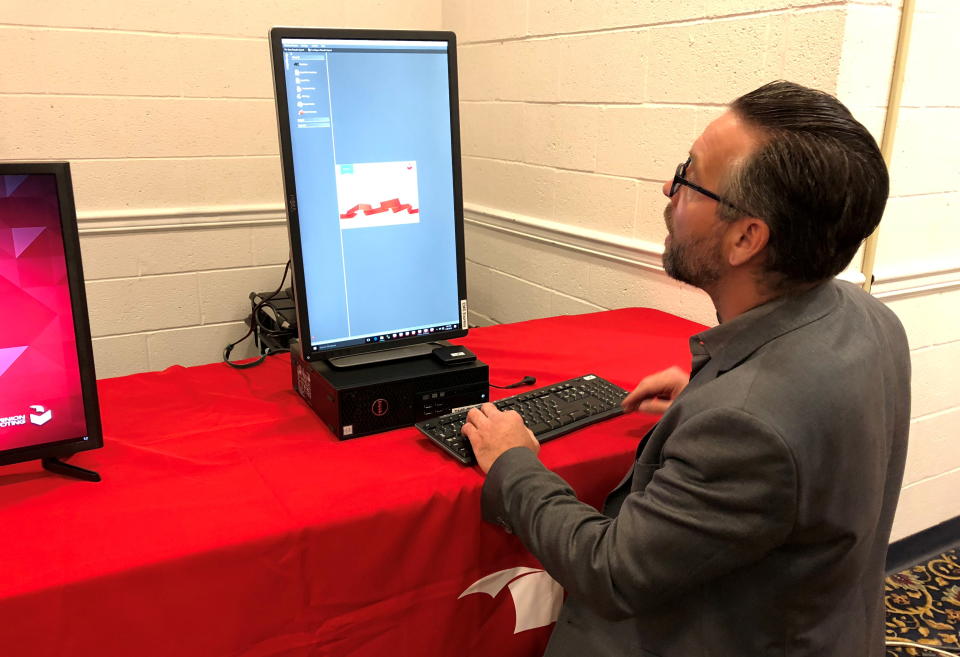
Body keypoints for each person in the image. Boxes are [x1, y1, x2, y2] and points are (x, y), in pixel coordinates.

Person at [461, 80, 911, 657]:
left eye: (690, 177)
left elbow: (610, 571)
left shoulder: (749, 425)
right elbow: (802, 449)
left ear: (747, 238)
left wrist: (512, 462)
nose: (668, 189)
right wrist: (711, 396)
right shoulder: (872, 318)